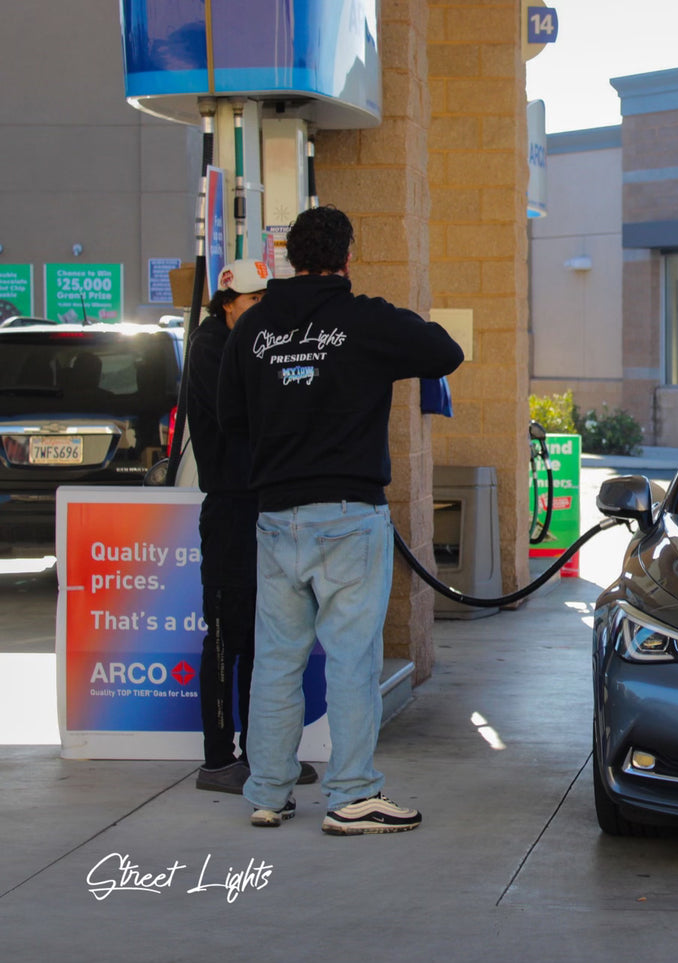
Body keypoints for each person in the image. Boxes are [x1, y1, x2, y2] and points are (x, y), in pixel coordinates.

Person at [217, 206, 463, 834]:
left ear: (288, 257)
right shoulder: (364, 319)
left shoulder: (253, 327)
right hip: (351, 517)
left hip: (276, 518)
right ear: (347, 256)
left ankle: (268, 791)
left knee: (277, 659)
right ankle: (351, 795)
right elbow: (444, 351)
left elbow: (231, 420)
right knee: (352, 659)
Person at [189, 259, 318, 793]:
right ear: (226, 304)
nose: (260, 309)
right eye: (250, 301)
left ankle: (262, 754)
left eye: (266, 299)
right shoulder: (214, 348)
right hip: (232, 507)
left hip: (261, 506)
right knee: (226, 639)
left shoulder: (251, 342)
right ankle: (219, 761)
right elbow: (242, 418)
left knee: (266, 640)